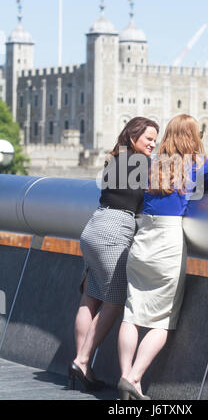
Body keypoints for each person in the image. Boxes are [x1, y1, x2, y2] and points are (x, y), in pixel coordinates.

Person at [117, 114, 208, 400]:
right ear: (193, 136)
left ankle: (124, 377)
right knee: (161, 319)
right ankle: (133, 377)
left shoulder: (153, 163)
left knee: (132, 313)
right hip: (167, 243)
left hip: (143, 239)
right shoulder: (195, 162)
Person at [68, 117, 159, 391]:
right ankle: (82, 361)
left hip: (95, 225)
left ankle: (82, 367)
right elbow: (150, 199)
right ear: (133, 138)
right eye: (149, 139)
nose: (153, 144)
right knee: (115, 302)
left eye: (156, 139)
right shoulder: (143, 164)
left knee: (91, 296)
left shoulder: (114, 160)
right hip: (116, 230)